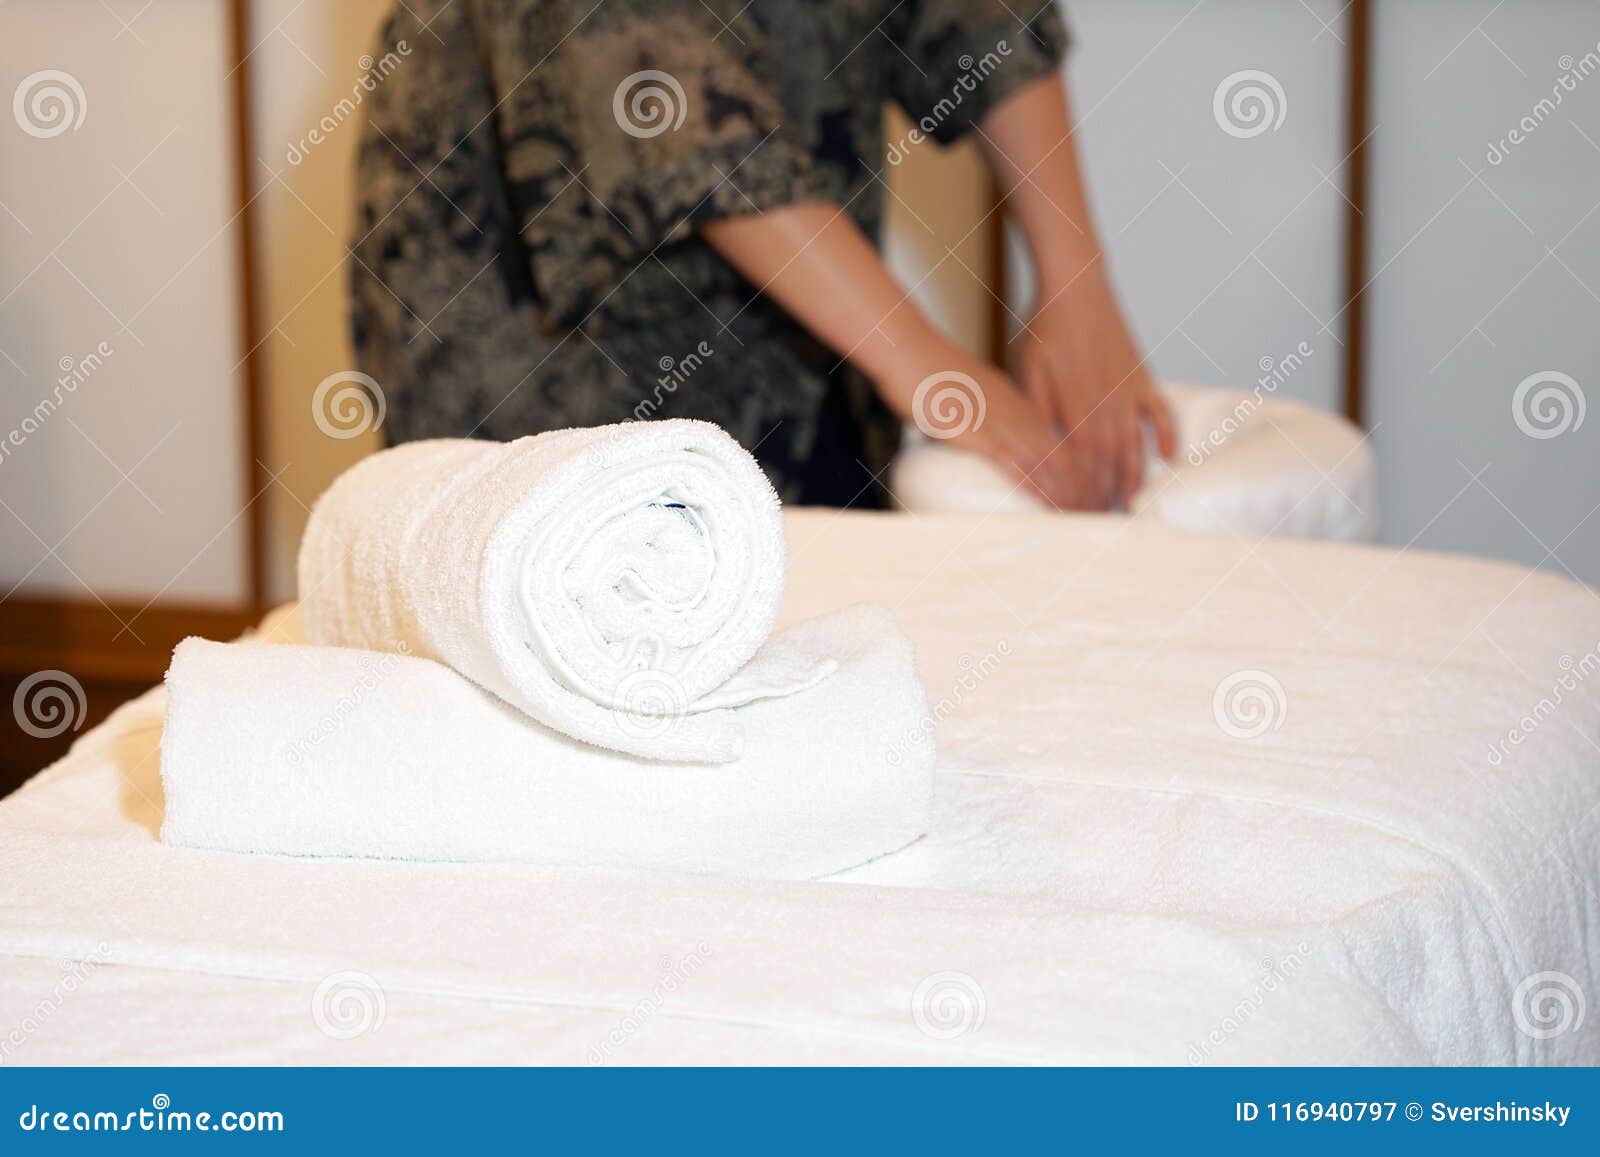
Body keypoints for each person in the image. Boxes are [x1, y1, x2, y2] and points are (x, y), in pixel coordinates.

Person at [350, 0, 1173, 509]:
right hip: (550, 352)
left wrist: (1076, 288)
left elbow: (981, 20)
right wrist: (931, 370)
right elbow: (665, 94)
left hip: (812, 335)